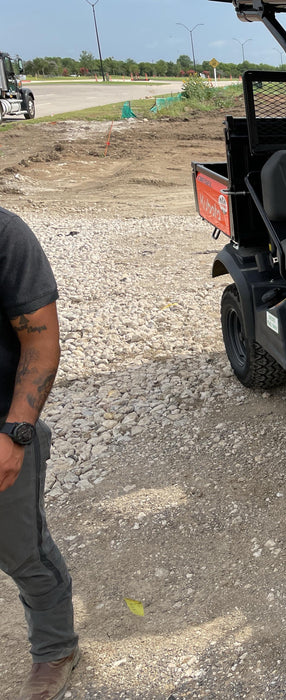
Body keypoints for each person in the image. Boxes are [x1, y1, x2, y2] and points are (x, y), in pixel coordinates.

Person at [0, 206, 80, 700]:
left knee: (22, 553)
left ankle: (55, 649)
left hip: (0, 435)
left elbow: (41, 345)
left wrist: (14, 436)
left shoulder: (5, 235)